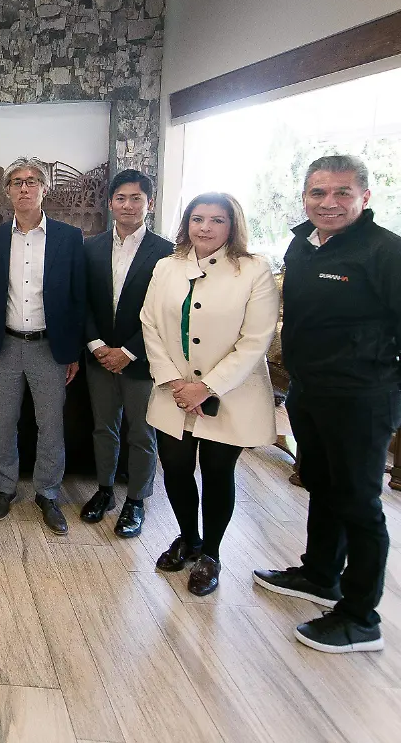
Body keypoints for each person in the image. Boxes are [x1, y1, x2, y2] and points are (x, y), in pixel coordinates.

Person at [253, 155, 401, 653]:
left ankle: (361, 618)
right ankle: (320, 574)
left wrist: (386, 386)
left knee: (358, 502)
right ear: (305, 197)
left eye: (342, 193)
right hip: (310, 390)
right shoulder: (303, 244)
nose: (329, 203)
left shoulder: (385, 251)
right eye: (318, 193)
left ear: (365, 197)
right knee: (320, 484)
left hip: (362, 397)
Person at [141, 192, 277, 596]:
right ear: (187, 223)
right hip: (174, 391)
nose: (205, 227)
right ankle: (188, 538)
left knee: (218, 472)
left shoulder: (253, 270)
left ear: (232, 225)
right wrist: (174, 381)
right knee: (175, 467)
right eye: (198, 218)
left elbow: (255, 340)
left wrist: (206, 387)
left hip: (229, 394)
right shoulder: (167, 266)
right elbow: (149, 323)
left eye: (217, 220)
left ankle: (211, 554)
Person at [0, 157, 85, 535]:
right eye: (17, 182)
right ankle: (5, 488)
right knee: (3, 422)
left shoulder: (68, 237)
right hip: (6, 346)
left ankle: (48, 493)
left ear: (44, 188)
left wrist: (72, 351)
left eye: (31, 181)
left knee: (51, 425)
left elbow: (77, 297)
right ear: (8, 191)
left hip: (49, 347)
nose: (24, 188)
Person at [80, 169, 174, 539]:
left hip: (143, 359)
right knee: (104, 427)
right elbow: (82, 301)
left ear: (149, 203)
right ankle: (105, 490)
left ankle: (136, 499)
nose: (128, 205)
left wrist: (129, 352)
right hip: (99, 356)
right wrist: (97, 345)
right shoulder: (91, 247)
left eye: (136, 198)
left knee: (142, 432)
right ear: (110, 203)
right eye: (121, 198)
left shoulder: (167, 253)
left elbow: (165, 312)